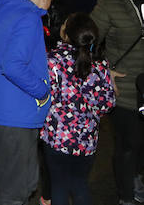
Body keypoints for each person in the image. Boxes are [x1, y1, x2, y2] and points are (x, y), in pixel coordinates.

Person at [0, 0, 59, 205]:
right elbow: (12, 65)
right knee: (15, 192)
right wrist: (43, 91)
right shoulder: (29, 17)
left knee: (19, 184)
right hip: (16, 117)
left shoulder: (5, 14)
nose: (50, 5)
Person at [40, 13, 115, 205]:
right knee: (80, 184)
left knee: (59, 185)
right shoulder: (100, 64)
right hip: (87, 140)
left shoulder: (52, 61)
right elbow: (107, 104)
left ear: (66, 34)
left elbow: (43, 95)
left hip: (57, 137)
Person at [90, 0, 144, 205]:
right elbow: (86, 42)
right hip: (125, 88)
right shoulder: (109, 2)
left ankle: (138, 178)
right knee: (128, 145)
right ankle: (126, 196)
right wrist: (103, 71)